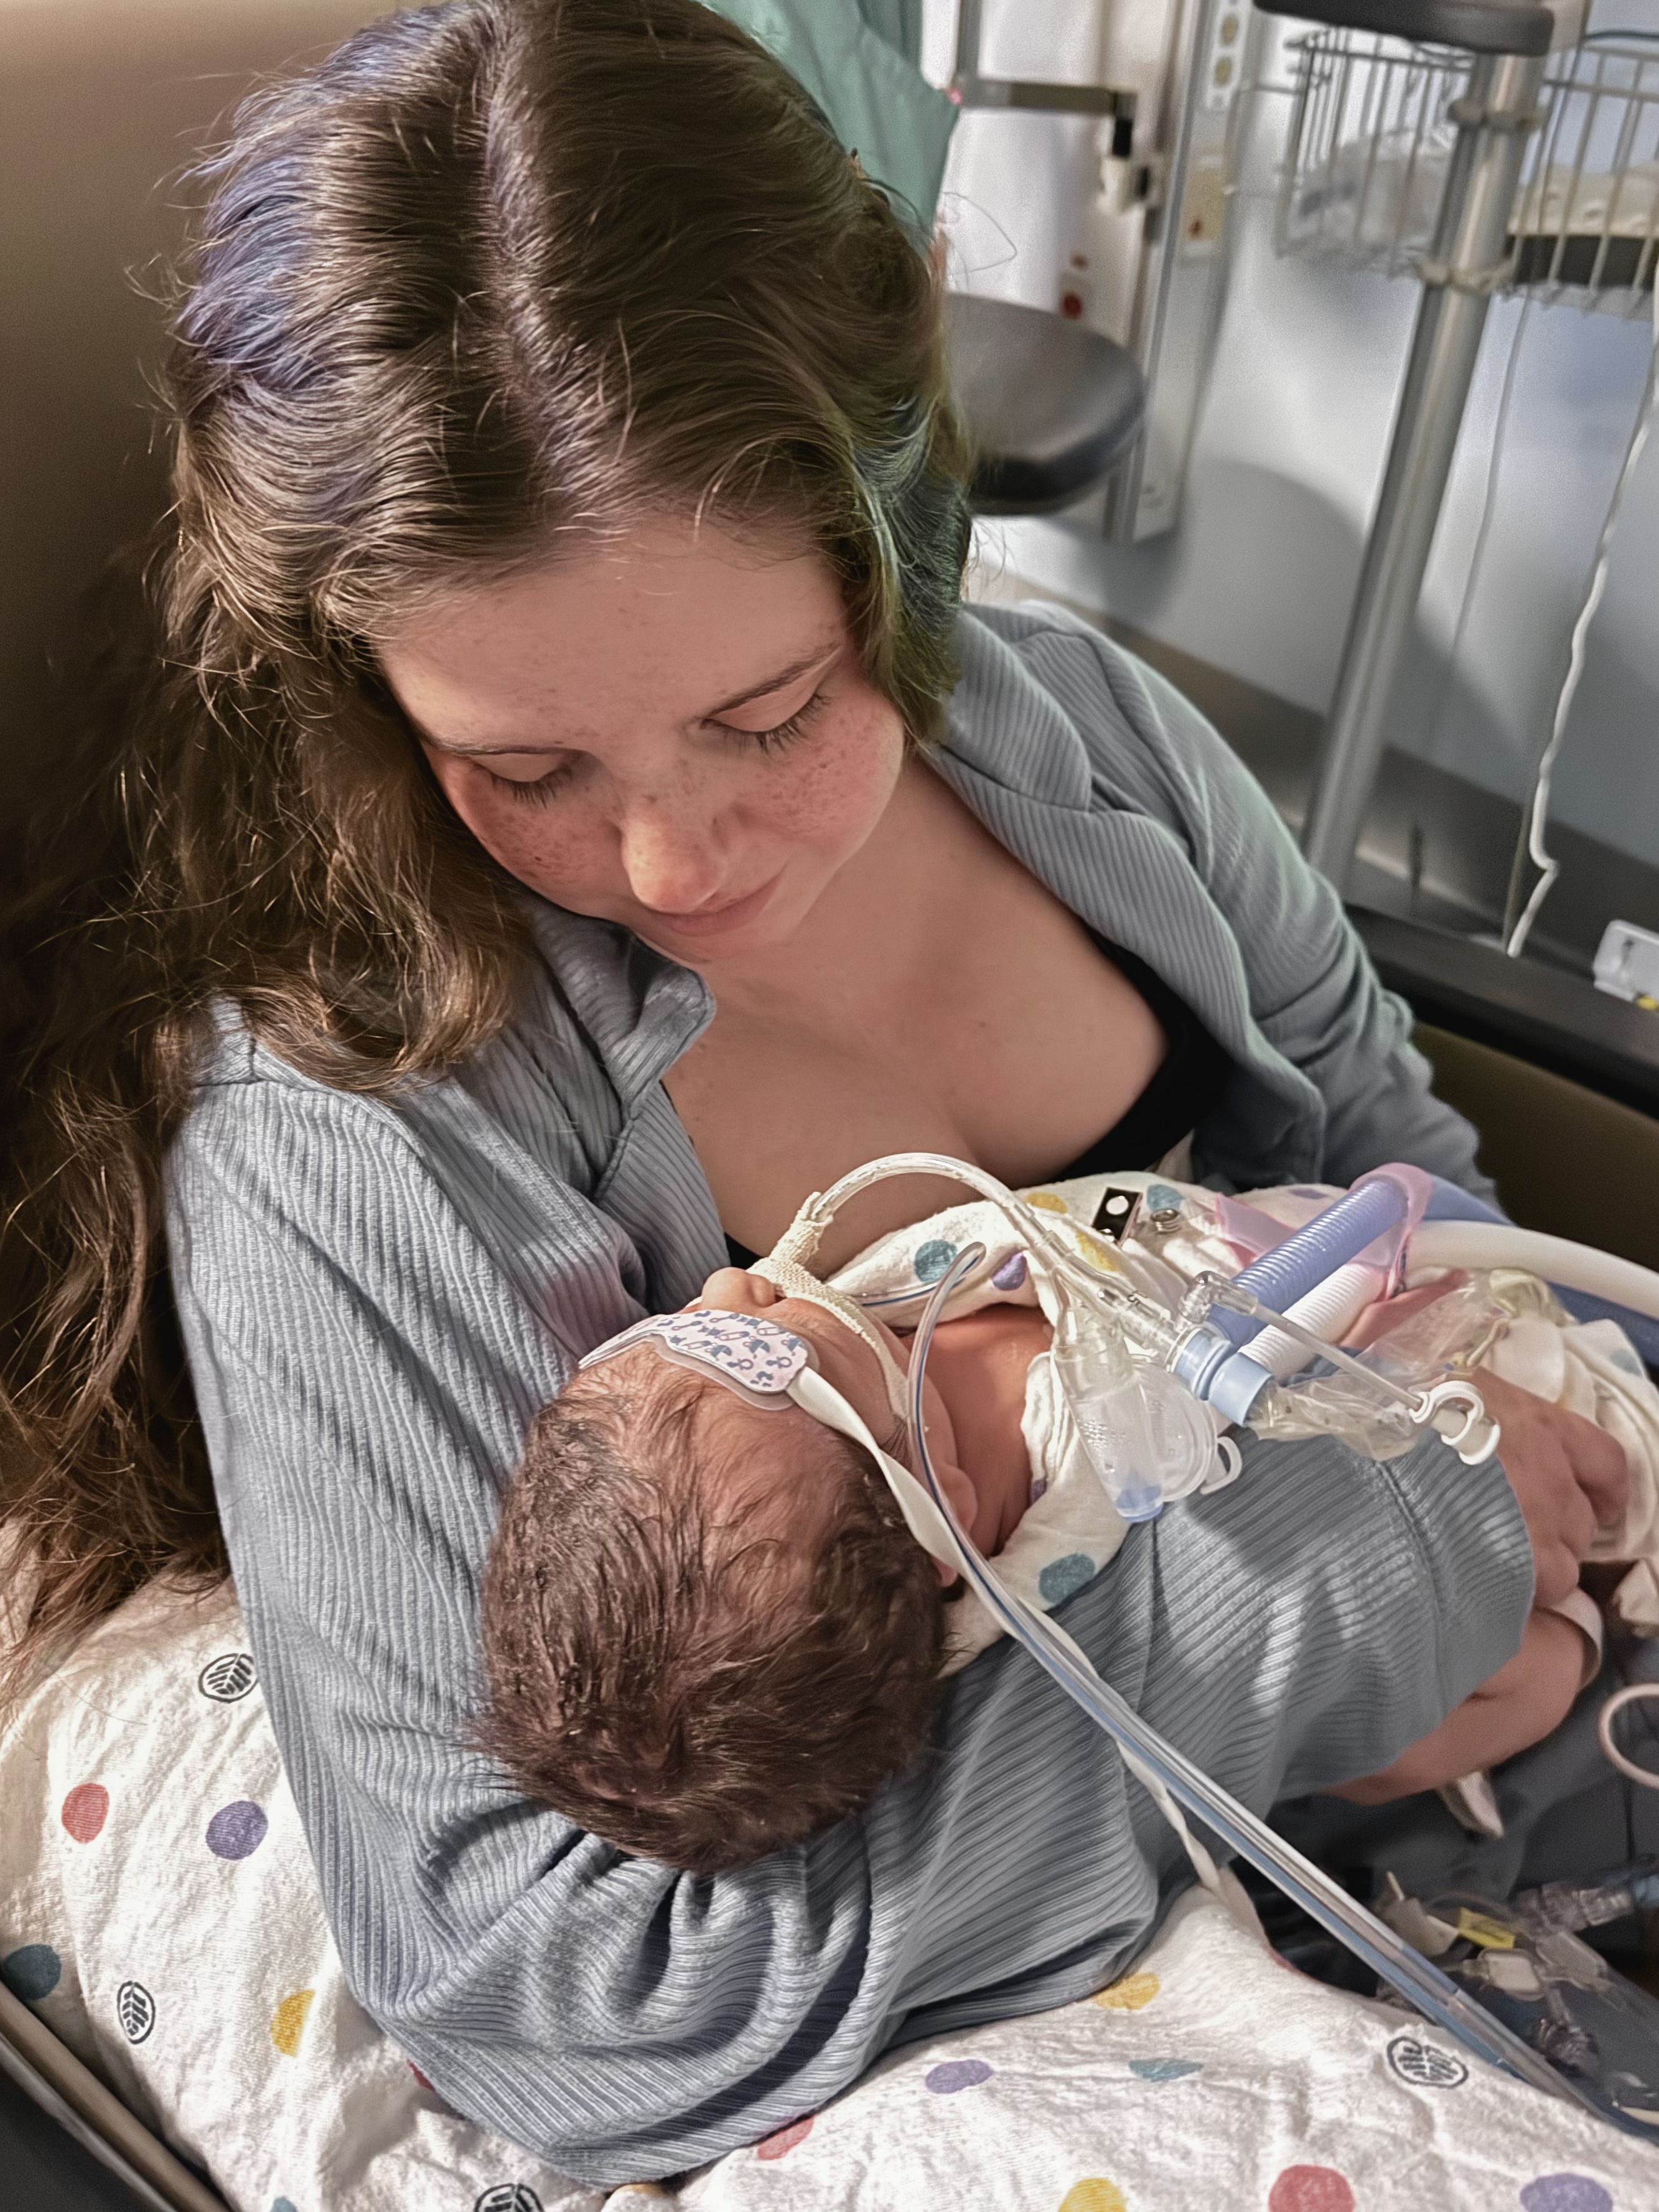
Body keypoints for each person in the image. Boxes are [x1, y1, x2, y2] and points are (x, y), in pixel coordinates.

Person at [0, 0, 1630, 2184]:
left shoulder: (1094, 742)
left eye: (769, 709)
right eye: (522, 765)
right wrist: (1328, 1603)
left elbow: (1399, 1158)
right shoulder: (360, 1126)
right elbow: (564, 2000)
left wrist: (1545, 1440)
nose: (675, 864)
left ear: (900, 525)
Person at [480, 1169, 1658, 1872]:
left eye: (668, 1334)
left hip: (1401, 1258)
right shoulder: (1098, 1508)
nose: (729, 1287)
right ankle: (1577, 1642)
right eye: (753, 1352)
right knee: (1410, 1737)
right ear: (935, 1495)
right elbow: (1331, 1667)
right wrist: (1552, 1639)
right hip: (1504, 1451)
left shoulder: (899, 1313)